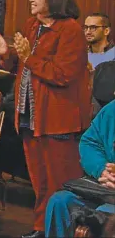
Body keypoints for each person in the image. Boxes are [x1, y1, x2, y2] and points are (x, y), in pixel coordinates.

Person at [0, 0, 92, 238]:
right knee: (39, 180)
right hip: (29, 117)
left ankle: (61, 231)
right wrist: (7, 54)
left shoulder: (71, 31)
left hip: (58, 119)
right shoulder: (32, 25)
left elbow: (62, 75)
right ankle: (40, 227)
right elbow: (23, 68)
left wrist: (27, 57)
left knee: (60, 181)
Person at [44, 99, 115, 237]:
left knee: (104, 213)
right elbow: (90, 142)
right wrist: (102, 169)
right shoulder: (112, 110)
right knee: (60, 202)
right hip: (104, 189)